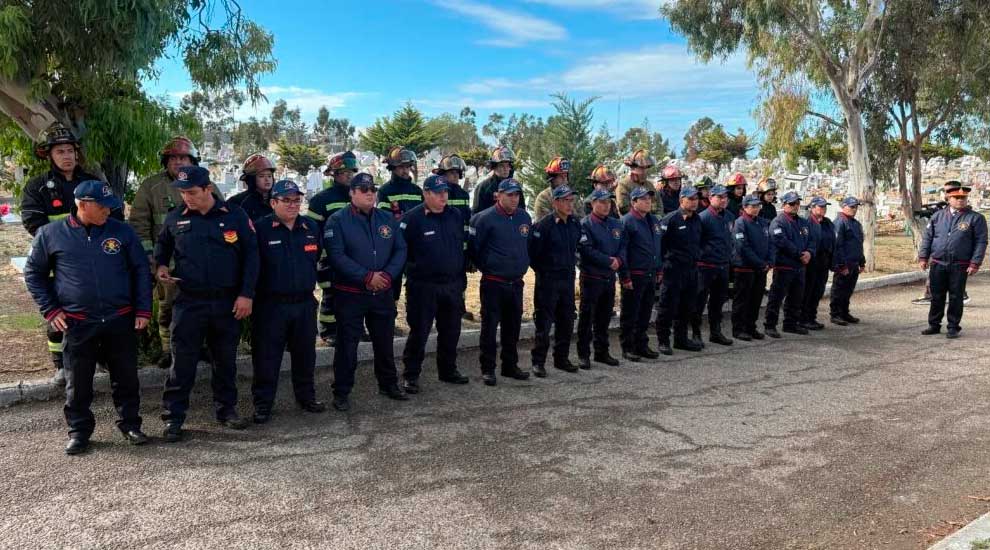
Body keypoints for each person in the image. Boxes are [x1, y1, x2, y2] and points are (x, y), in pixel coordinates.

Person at [24, 181, 151, 455]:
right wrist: (51, 310)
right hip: (78, 322)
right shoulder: (50, 234)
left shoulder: (122, 232)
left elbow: (141, 271)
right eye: (102, 206)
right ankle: (80, 431)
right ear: (82, 204)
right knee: (78, 381)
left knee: (127, 377)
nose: (108, 210)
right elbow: (33, 275)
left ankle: (130, 424)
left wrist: (143, 310)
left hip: (121, 319)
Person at [155, 166, 259, 441]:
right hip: (189, 302)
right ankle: (173, 417)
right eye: (182, 192)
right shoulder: (176, 218)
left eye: (191, 192)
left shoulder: (234, 215)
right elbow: (162, 246)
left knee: (225, 360)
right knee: (182, 362)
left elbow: (252, 256)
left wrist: (246, 294)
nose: (186, 197)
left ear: (208, 189)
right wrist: (162, 267)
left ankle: (227, 410)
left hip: (227, 302)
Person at [21, 123, 120, 386]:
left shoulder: (93, 183)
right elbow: (33, 221)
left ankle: (99, 358)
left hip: (95, 255)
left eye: (70, 151)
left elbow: (115, 216)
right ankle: (60, 366)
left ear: (77, 153)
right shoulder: (38, 187)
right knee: (58, 312)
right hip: (56, 258)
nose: (66, 156)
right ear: (49, 155)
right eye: (60, 151)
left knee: (94, 308)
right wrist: (67, 239)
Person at [325, 173, 409, 411]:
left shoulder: (387, 218)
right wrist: (366, 276)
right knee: (347, 345)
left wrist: (387, 276)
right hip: (350, 293)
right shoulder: (337, 221)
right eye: (363, 189)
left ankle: (388, 384)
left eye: (372, 189)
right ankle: (341, 392)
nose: (370, 193)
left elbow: (401, 249)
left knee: (384, 342)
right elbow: (337, 256)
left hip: (381, 292)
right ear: (351, 193)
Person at [250, 180, 327, 424]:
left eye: (297, 200)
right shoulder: (261, 229)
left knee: (305, 355)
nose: (293, 205)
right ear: (273, 202)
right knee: (267, 358)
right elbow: (251, 267)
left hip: (304, 303)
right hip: (271, 305)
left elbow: (317, 259)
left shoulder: (310, 226)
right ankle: (263, 404)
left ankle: (306, 397)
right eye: (286, 200)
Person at [129, 136, 199, 369]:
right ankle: (169, 350)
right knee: (168, 307)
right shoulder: (151, 187)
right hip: (165, 262)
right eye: (174, 158)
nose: (178, 162)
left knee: (201, 306)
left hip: (200, 262)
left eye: (183, 158)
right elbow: (139, 225)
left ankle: (200, 347)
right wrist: (152, 258)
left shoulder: (205, 183)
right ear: (165, 161)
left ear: (193, 160)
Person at [399, 175, 471, 392]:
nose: (443, 196)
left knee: (451, 330)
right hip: (423, 287)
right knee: (419, 332)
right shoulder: (411, 219)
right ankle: (411, 375)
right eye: (438, 192)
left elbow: (461, 246)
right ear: (426, 194)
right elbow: (400, 252)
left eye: (445, 192)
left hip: (451, 284)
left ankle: (448, 370)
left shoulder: (455, 215)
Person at [468, 178, 533, 386]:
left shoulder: (524, 217)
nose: (514, 199)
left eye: (517, 195)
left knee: (512, 327)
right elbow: (474, 249)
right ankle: (488, 369)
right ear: (499, 195)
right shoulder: (483, 219)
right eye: (510, 195)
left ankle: (510, 365)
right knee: (489, 327)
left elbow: (528, 245)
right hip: (494, 283)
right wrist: (489, 265)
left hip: (516, 283)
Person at [918, 183, 986, 338]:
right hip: (938, 263)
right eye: (957, 197)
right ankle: (934, 325)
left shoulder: (975, 218)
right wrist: (923, 257)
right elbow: (928, 238)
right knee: (937, 295)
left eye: (963, 198)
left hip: (959, 264)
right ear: (949, 198)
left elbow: (981, 242)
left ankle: (953, 327)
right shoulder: (938, 216)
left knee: (956, 296)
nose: (961, 200)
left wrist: (975, 263)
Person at [306, 151, 359, 345]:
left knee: (355, 295)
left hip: (355, 258)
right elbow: (312, 232)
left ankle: (355, 329)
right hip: (330, 259)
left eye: (351, 171)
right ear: (334, 174)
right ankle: (328, 331)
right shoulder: (321, 200)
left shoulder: (358, 197)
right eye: (344, 172)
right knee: (331, 294)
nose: (349, 175)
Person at [528, 185, 582, 377]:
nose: (569, 204)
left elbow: (577, 248)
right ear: (555, 202)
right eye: (565, 201)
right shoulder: (543, 225)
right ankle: (538, 362)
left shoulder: (575, 224)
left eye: (571, 200)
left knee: (566, 321)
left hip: (567, 279)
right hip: (548, 281)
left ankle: (562, 358)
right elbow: (533, 254)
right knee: (544, 323)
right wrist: (544, 272)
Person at [576, 189, 627, 368]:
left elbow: (622, 246)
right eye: (602, 202)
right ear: (592, 204)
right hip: (591, 278)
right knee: (587, 318)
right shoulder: (585, 224)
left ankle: (602, 352)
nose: (606, 206)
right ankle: (583, 354)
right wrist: (608, 261)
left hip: (608, 278)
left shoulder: (616, 223)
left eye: (608, 202)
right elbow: (586, 250)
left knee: (604, 318)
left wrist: (619, 260)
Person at [656, 186, 704, 355]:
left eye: (696, 199)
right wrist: (661, 268)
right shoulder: (670, 220)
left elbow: (700, 242)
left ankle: (681, 339)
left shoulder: (697, 220)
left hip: (691, 270)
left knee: (686, 306)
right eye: (690, 199)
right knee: (668, 306)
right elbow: (660, 246)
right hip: (673, 270)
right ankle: (663, 340)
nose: (694, 202)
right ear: (681, 200)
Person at [619, 187, 662, 361]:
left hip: (651, 272)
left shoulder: (654, 220)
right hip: (635, 274)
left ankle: (641, 344)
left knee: (645, 312)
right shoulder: (627, 221)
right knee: (631, 313)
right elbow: (623, 251)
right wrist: (625, 276)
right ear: (633, 202)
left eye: (649, 199)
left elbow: (658, 247)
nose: (647, 202)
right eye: (643, 199)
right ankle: (628, 347)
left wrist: (659, 268)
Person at [764, 191, 812, 338]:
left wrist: (809, 252)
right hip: (784, 266)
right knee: (776, 297)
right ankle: (770, 325)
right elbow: (781, 242)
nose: (795, 206)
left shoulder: (803, 222)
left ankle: (790, 324)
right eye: (792, 203)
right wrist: (799, 254)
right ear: (784, 204)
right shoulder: (778, 222)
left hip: (799, 267)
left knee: (796, 297)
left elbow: (811, 240)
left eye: (797, 203)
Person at [377, 146, 422, 302]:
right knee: (393, 283)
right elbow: (383, 220)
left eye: (408, 166)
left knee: (416, 283)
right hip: (394, 245)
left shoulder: (417, 191)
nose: (405, 170)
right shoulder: (384, 191)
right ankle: (391, 315)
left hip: (415, 244)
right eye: (401, 167)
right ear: (392, 168)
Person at [694, 184, 735, 346]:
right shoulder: (703, 218)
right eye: (719, 197)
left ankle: (715, 332)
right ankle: (696, 333)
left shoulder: (730, 216)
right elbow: (697, 242)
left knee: (718, 302)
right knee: (699, 301)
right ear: (710, 198)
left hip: (723, 265)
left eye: (725, 197)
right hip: (705, 266)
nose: (723, 200)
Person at [731, 194, 773, 341]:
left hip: (760, 269)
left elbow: (770, 243)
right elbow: (743, 247)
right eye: (753, 206)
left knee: (755, 300)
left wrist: (769, 261)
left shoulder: (762, 223)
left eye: (758, 206)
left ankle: (750, 326)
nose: (756, 209)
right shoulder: (740, 223)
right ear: (745, 207)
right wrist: (760, 263)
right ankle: (738, 328)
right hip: (745, 268)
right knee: (742, 300)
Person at [829, 196, 868, 327]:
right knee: (838, 289)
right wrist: (841, 265)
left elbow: (858, 244)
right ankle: (835, 314)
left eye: (856, 207)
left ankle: (844, 312)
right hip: (844, 263)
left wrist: (862, 262)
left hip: (854, 262)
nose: (854, 209)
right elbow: (837, 246)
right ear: (843, 206)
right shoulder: (839, 222)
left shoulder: (855, 224)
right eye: (851, 206)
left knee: (848, 290)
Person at [800, 197, 835, 330]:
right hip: (812, 261)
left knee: (818, 291)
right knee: (808, 290)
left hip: (824, 261)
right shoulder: (807, 223)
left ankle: (811, 317)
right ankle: (803, 318)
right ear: (812, 208)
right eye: (820, 207)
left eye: (825, 207)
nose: (823, 209)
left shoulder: (827, 223)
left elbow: (832, 241)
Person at [472, 146, 523, 214]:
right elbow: (476, 215)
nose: (505, 169)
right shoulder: (483, 187)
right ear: (494, 166)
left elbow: (522, 210)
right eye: (502, 165)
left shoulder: (515, 186)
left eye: (507, 165)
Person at [533, 157, 585, 221]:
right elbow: (544, 225)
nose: (564, 180)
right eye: (560, 176)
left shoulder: (574, 197)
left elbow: (581, 220)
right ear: (552, 179)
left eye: (565, 176)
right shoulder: (543, 198)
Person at [229, 153, 276, 221]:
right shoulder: (238, 202)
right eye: (261, 176)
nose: (267, 179)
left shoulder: (279, 200)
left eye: (269, 176)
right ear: (252, 179)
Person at [432, 154, 472, 224]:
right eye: (452, 172)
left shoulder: (464, 194)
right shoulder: (438, 193)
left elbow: (466, 217)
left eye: (457, 172)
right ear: (443, 175)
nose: (456, 175)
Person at [615, 149, 656, 215]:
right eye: (642, 168)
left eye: (647, 167)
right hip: (632, 222)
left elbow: (657, 204)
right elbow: (623, 207)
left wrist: (657, 217)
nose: (644, 171)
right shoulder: (623, 185)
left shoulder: (650, 185)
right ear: (633, 168)